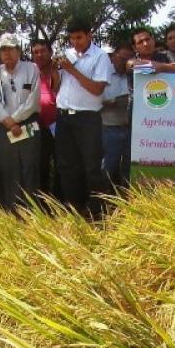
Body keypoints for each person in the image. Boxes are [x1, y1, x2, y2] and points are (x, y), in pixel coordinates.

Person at [54, 17, 112, 218]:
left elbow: (97, 89)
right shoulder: (66, 55)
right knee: (67, 166)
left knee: (92, 165)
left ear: (89, 35)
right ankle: (74, 209)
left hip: (87, 118)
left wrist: (72, 70)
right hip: (63, 116)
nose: (75, 42)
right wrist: (55, 69)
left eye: (79, 37)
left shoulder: (100, 57)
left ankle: (97, 211)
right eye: (71, 38)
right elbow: (55, 86)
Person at [0, 33, 41, 209]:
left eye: (10, 49)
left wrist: (16, 120)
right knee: (9, 169)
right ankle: (13, 211)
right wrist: (9, 123)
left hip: (28, 124)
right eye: (3, 50)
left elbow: (33, 100)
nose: (7, 53)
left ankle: (33, 211)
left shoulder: (31, 68)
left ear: (18, 50)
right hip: (6, 127)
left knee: (30, 168)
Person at [102, 42, 135, 192]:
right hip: (109, 129)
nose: (125, 62)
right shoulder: (103, 76)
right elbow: (91, 100)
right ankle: (102, 205)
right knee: (107, 169)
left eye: (129, 59)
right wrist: (106, 103)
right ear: (114, 57)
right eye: (122, 58)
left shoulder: (135, 77)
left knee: (129, 169)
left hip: (131, 130)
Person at [31, 38, 61, 198]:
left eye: (43, 51)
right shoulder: (30, 71)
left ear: (50, 52)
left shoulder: (60, 69)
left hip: (58, 125)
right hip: (37, 126)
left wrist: (55, 71)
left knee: (60, 165)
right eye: (35, 52)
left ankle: (59, 201)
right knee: (41, 165)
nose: (39, 54)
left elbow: (58, 90)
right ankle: (42, 203)